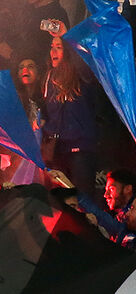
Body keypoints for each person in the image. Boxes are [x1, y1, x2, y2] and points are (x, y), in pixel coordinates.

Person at [43, 34, 98, 198]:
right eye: (51, 47)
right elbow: (53, 116)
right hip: (59, 150)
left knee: (83, 200)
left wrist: (67, 35)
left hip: (81, 148)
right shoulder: (50, 78)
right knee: (63, 201)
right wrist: (43, 125)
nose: (53, 51)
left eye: (59, 47)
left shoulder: (81, 76)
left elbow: (84, 62)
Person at [48, 168, 136, 250]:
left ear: (127, 189)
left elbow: (102, 217)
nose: (105, 195)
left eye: (111, 189)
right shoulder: (119, 217)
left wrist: (69, 186)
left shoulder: (128, 228)